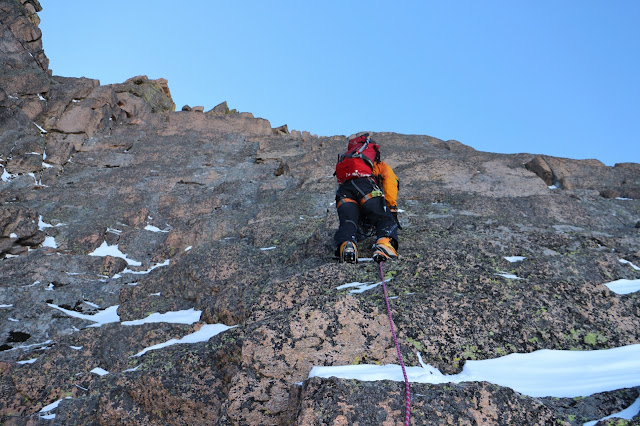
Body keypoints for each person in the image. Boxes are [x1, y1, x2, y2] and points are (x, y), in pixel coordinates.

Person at [334, 133, 400, 263]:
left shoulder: (347, 164)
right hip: (366, 188)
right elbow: (390, 181)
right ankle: (384, 245)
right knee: (384, 218)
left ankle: (347, 246)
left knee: (348, 222)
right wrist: (391, 207)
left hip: (344, 192)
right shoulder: (378, 165)